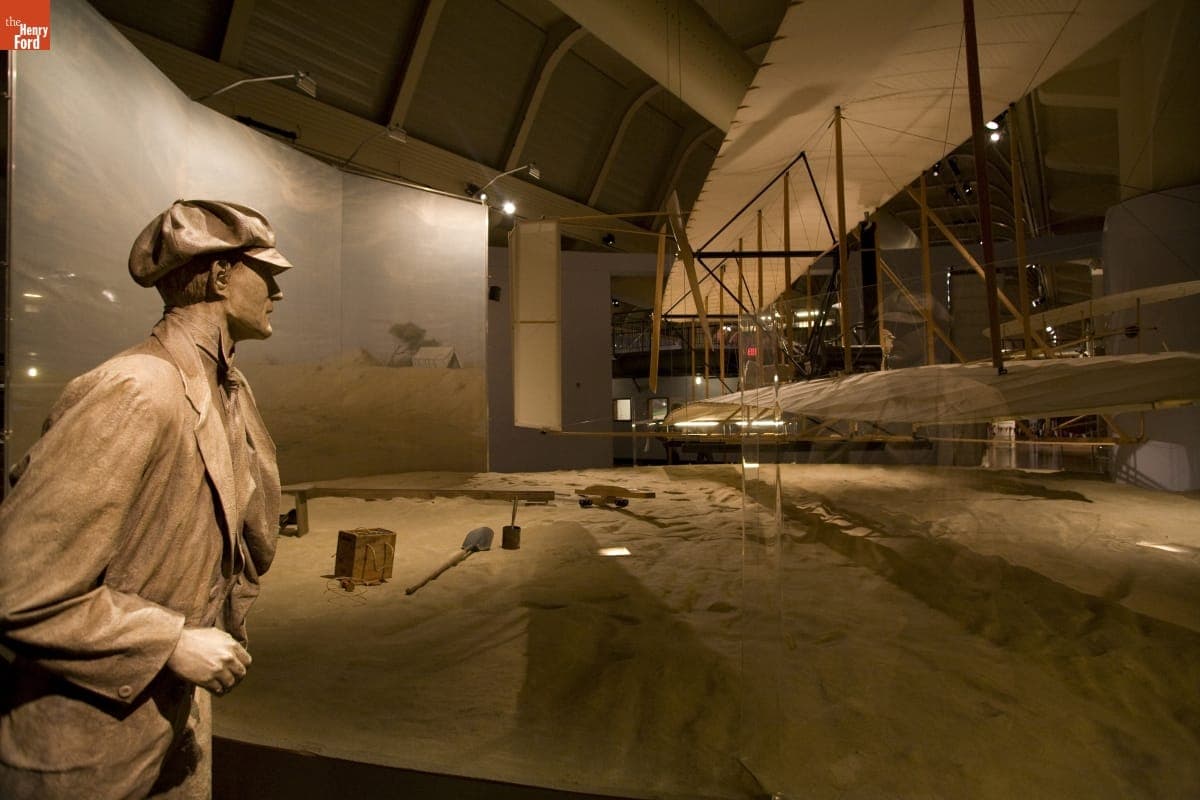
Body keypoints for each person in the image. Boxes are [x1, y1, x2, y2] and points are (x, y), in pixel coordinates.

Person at [0, 200, 290, 799]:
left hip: (172, 721)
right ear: (218, 275)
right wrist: (170, 642)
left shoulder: (223, 391)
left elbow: (252, 538)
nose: (278, 291)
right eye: (268, 272)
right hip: (86, 741)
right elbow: (15, 585)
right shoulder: (135, 389)